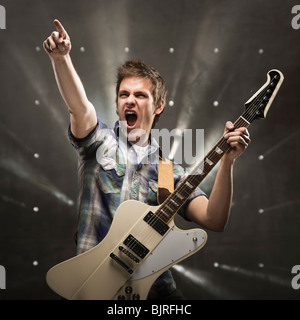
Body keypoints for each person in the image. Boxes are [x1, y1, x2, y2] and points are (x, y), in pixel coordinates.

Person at [43, 19, 250, 300]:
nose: (130, 100)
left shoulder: (169, 171)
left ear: (159, 105)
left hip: (154, 291)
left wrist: (227, 162)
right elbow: (79, 107)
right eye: (123, 95)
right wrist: (62, 59)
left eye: (140, 95)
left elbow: (214, 219)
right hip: (93, 286)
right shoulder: (97, 142)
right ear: (116, 104)